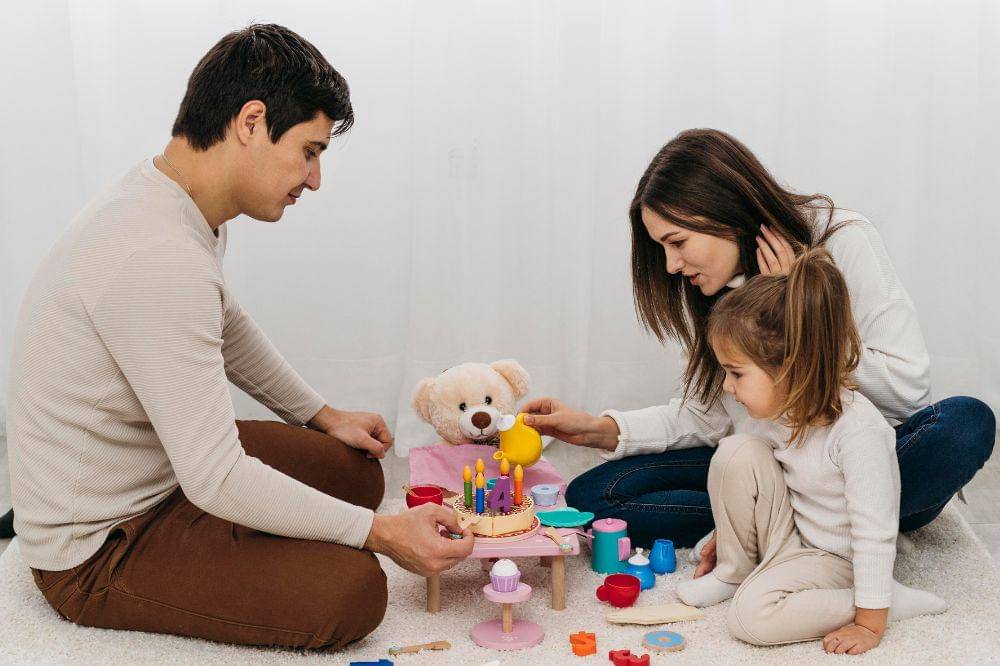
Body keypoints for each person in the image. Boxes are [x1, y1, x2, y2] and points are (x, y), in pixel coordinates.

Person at [5, 24, 473, 651]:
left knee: (356, 471)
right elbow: (217, 479)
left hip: (161, 468)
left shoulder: (173, 199)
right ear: (251, 121)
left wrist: (322, 415)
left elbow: (223, 327)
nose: (313, 179)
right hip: (101, 548)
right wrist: (380, 535)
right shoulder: (155, 254)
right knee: (354, 590)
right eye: (310, 151)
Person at [522, 129, 995, 562]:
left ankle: (790, 528)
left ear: (722, 212)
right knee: (594, 496)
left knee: (965, 423)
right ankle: (808, 530)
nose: (670, 264)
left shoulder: (842, 239)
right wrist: (596, 428)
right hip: (767, 468)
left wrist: (801, 316)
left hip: (855, 466)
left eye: (677, 241)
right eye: (662, 247)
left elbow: (907, 391)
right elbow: (706, 415)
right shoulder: (715, 286)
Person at [673, 247, 946, 654]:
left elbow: (874, 532)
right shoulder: (773, 412)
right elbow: (754, 484)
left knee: (751, 617)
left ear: (791, 368)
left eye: (736, 373)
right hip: (795, 536)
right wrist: (727, 537)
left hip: (839, 560)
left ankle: (884, 598)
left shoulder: (858, 432)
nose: (728, 386)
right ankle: (735, 572)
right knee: (734, 451)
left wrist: (870, 622)